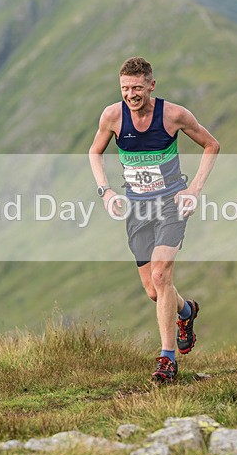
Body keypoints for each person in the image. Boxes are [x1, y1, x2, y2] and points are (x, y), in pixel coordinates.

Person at [89, 56, 220, 383]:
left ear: (151, 85)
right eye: (124, 89)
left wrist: (193, 189)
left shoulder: (174, 115)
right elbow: (94, 152)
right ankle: (187, 312)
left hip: (171, 204)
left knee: (162, 275)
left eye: (136, 88)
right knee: (152, 289)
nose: (130, 95)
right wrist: (105, 191)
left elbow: (211, 145)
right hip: (137, 209)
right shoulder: (113, 116)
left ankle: (167, 359)